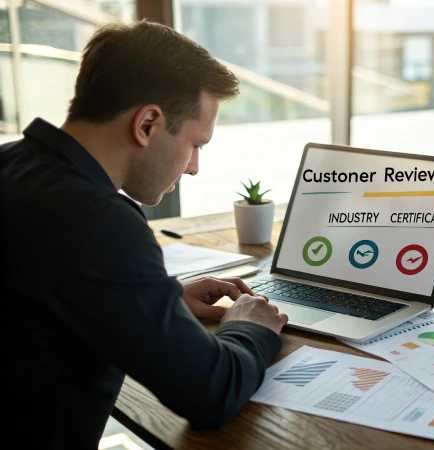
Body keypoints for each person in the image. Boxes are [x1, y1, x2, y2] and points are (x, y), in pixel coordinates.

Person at [0, 21, 288, 448]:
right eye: (196, 144)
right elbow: (211, 393)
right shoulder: (94, 219)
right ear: (148, 123)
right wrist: (250, 327)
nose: (193, 168)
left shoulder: (13, 166)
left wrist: (160, 303)